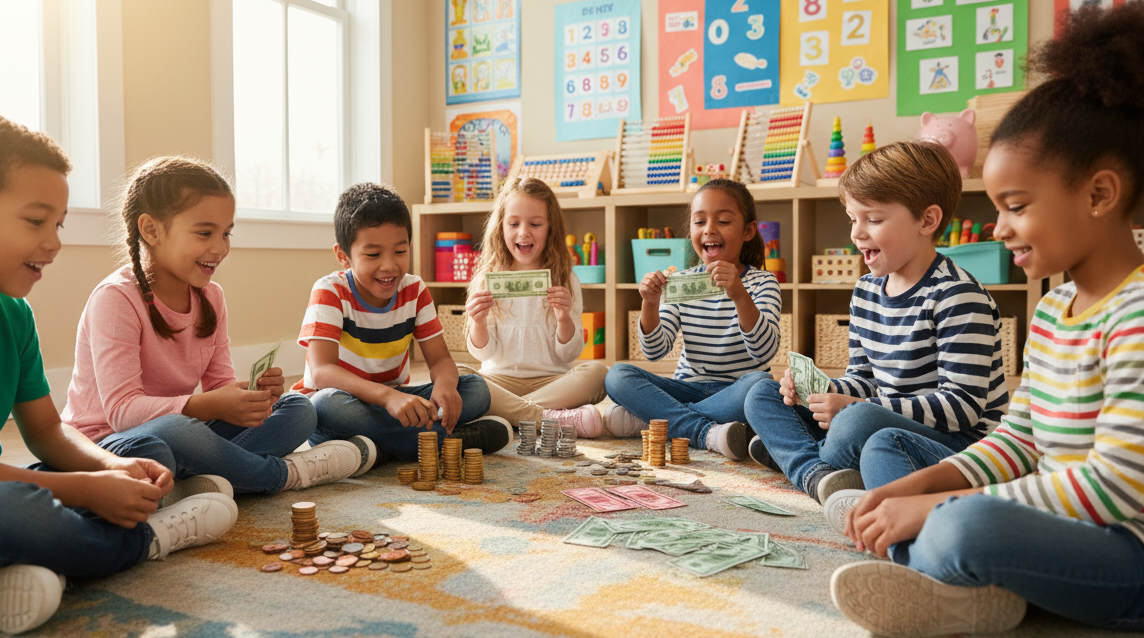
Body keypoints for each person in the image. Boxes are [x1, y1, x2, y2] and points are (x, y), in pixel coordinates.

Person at [830, 2, 1144, 638]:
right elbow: (1019, 443)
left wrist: (935, 506)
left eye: (1016, 206)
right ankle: (956, 578)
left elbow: (1114, 490)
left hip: (1139, 558)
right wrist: (916, 489)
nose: (999, 227)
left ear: (1098, 195)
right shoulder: (1055, 310)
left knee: (963, 524)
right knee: (890, 456)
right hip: (1062, 525)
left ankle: (940, 568)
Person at [0, 114, 236, 634]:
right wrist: (87, 490)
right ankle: (151, 539)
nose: (54, 242)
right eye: (35, 221)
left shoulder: (13, 314)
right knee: (8, 511)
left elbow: (46, 431)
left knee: (140, 453)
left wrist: (107, 470)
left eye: (59, 224)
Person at [62, 156, 361, 496]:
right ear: (151, 230)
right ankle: (282, 474)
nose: (220, 248)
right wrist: (206, 406)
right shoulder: (116, 299)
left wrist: (252, 395)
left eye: (226, 233)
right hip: (112, 445)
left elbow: (218, 385)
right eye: (205, 233)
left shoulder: (211, 297)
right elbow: (122, 412)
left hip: (188, 429)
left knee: (299, 409)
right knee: (176, 434)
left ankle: (199, 480)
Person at [744, 142, 1007, 504]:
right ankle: (817, 473)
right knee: (761, 393)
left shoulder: (957, 296)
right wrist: (822, 392)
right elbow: (864, 379)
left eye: (874, 219)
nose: (856, 233)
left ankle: (797, 457)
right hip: (879, 418)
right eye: (853, 218)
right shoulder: (866, 290)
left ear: (926, 221)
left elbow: (961, 408)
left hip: (954, 444)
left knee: (857, 426)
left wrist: (855, 410)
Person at [295, 182, 510, 461]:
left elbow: (441, 360)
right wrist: (387, 398)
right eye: (373, 254)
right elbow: (322, 371)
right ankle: (443, 441)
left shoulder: (415, 290)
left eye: (400, 251)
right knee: (324, 406)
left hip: (397, 402)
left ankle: (377, 450)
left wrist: (445, 386)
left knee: (476, 389)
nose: (389, 265)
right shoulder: (330, 291)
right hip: (345, 402)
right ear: (343, 256)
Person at [603, 178, 780, 460]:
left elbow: (764, 351)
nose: (709, 229)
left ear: (748, 231)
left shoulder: (762, 282)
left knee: (762, 385)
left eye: (723, 220)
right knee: (617, 376)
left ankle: (655, 419)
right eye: (699, 222)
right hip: (685, 389)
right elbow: (654, 351)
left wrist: (739, 294)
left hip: (735, 392)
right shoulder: (682, 282)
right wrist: (650, 304)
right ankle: (706, 432)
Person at [463, 177, 608, 436]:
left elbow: (569, 354)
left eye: (535, 224)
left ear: (550, 228)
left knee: (598, 372)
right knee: (456, 376)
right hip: (500, 380)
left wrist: (564, 318)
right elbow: (483, 355)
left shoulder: (565, 278)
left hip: (552, 381)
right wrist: (478, 322)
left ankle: (511, 415)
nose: (523, 232)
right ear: (501, 227)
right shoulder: (486, 279)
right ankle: (545, 418)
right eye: (514, 223)